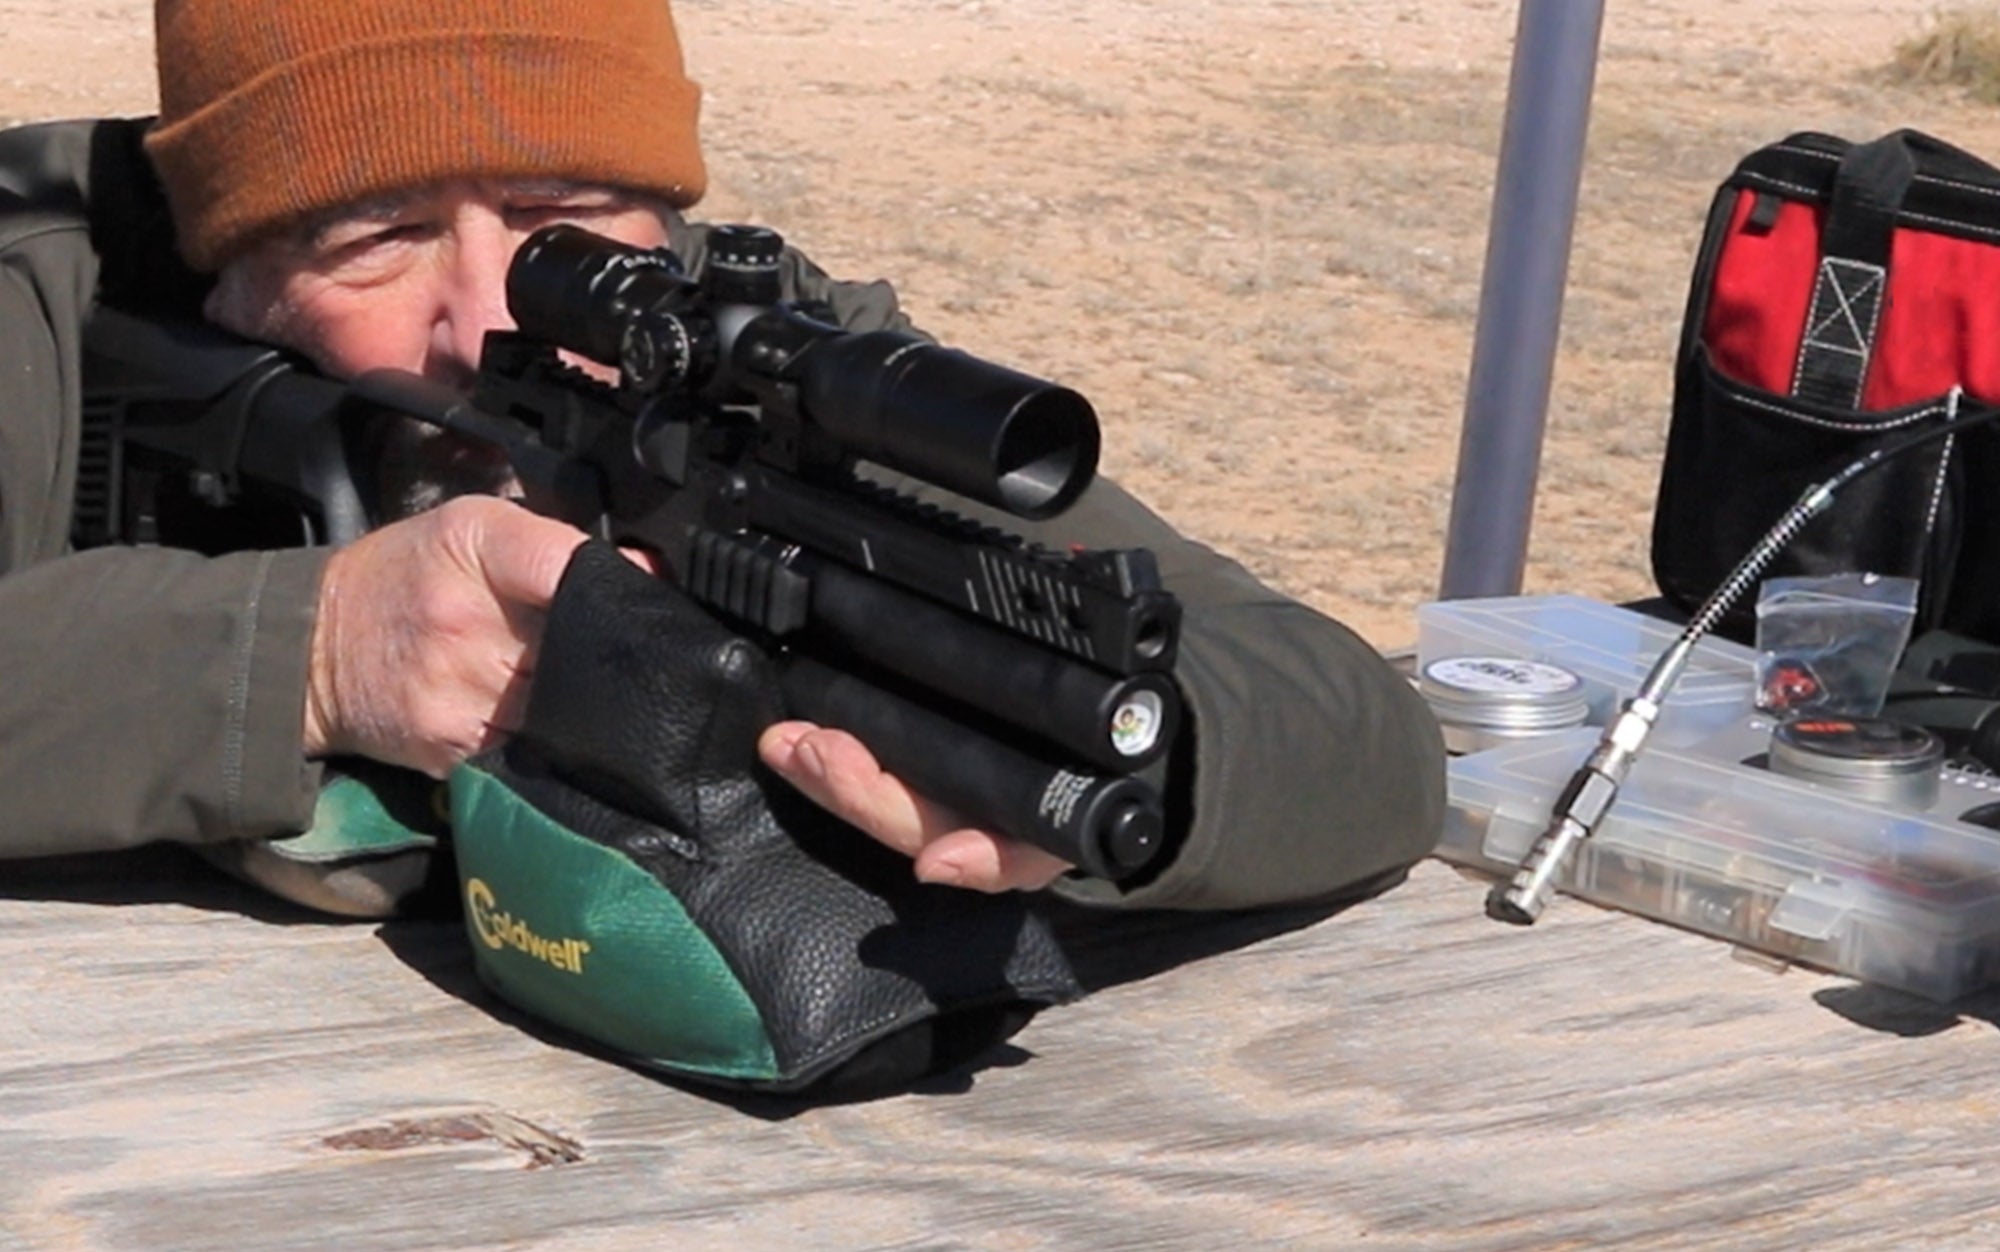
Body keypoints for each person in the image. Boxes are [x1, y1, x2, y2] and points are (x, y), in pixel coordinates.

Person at [0, 0, 1444, 916]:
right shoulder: (39, 303)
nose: (489, 313)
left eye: (567, 208)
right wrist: (312, 654)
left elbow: (1354, 729)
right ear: (224, 272)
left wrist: (1130, 766)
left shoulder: (760, 355)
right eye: (373, 238)